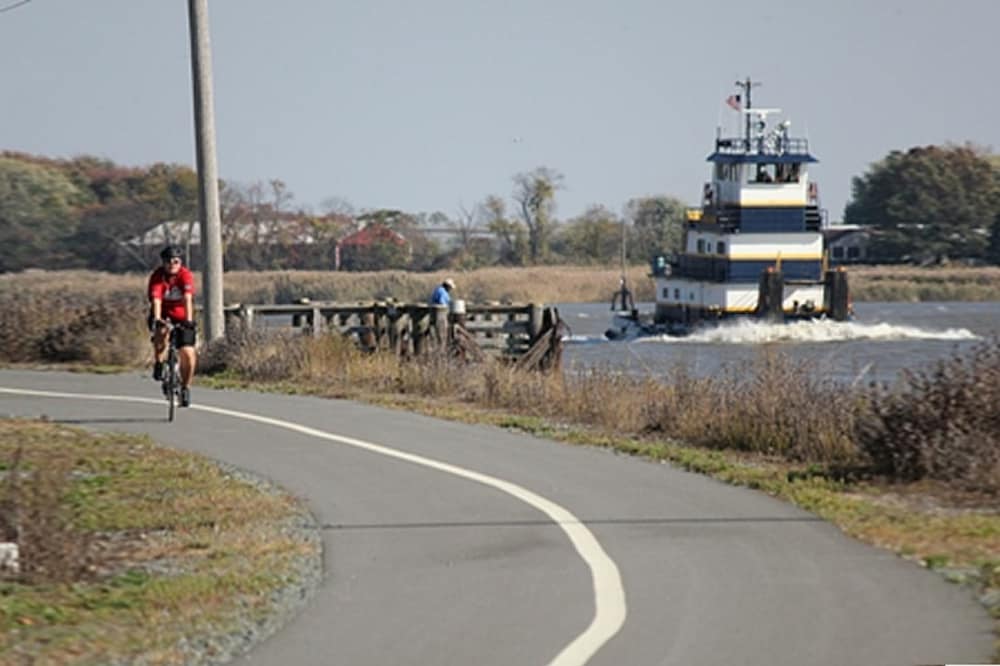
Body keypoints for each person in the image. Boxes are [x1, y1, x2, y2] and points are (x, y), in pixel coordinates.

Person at [147, 245, 197, 407]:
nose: (172, 264)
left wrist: (188, 321)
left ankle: (185, 387)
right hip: (163, 314)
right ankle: (159, 362)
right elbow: (156, 300)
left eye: (176, 261)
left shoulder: (185, 275)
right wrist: (157, 318)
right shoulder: (157, 276)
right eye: (168, 262)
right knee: (161, 332)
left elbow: (187, 299)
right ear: (163, 263)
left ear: (180, 262)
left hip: (182, 316)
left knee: (188, 354)